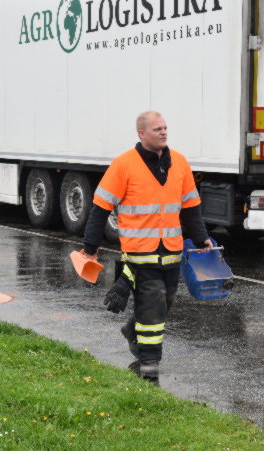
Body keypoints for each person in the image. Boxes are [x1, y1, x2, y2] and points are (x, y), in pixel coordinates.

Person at [81, 110, 212, 381]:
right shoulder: (124, 165)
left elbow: (191, 207)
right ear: (141, 134)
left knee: (165, 303)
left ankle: (133, 329)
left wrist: (201, 238)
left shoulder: (181, 163)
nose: (164, 132)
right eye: (157, 129)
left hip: (172, 252)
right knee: (152, 307)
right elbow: (100, 207)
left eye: (165, 128)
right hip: (140, 254)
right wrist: (90, 247)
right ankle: (149, 366)